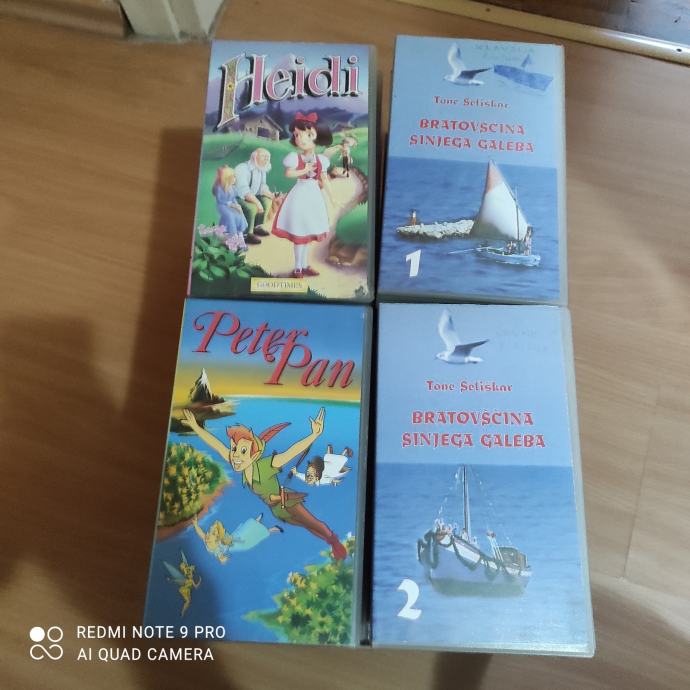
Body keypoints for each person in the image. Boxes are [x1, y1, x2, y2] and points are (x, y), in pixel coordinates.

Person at [181, 407, 347, 560]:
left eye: (243, 451)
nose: (236, 456)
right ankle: (332, 543)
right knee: (306, 526)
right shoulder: (239, 464)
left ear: (254, 454)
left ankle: (337, 545)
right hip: (277, 510)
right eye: (234, 449)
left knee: (313, 523)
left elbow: (290, 452)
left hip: (287, 501)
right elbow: (217, 445)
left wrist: (314, 434)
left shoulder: (267, 465)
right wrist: (196, 427)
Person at [271, 112, 335, 279]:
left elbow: (324, 178)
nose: (301, 139)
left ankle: (305, 265)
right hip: (299, 195)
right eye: (297, 135)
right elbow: (288, 173)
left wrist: (332, 197)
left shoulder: (321, 160)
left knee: (307, 233)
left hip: (313, 197)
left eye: (307, 135)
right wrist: (304, 170)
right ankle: (298, 268)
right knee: (300, 233)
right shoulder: (294, 158)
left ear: (316, 136)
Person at [192, 514, 282, 564]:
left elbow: (201, 534)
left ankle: (256, 521)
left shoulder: (216, 542)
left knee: (244, 530)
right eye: (210, 533)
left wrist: (196, 525)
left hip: (234, 538)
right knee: (249, 537)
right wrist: (223, 558)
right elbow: (222, 558)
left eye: (212, 533)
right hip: (238, 544)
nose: (208, 535)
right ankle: (271, 529)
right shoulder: (215, 547)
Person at [234, 148, 274, 245]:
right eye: (263, 156)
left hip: (252, 195)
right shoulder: (242, 168)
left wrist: (269, 194)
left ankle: (257, 227)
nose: (266, 159)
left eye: (268, 157)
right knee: (252, 207)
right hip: (239, 197)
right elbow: (243, 190)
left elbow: (262, 186)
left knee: (267, 201)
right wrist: (257, 202)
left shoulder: (262, 169)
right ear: (254, 157)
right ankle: (247, 234)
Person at [212, 166, 248, 238]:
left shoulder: (233, 188)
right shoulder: (219, 188)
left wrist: (237, 205)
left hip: (231, 205)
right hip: (222, 205)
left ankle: (239, 231)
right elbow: (219, 200)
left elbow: (233, 198)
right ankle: (233, 234)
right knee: (230, 215)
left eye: (235, 177)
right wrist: (230, 204)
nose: (235, 179)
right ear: (227, 178)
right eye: (233, 177)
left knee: (239, 213)